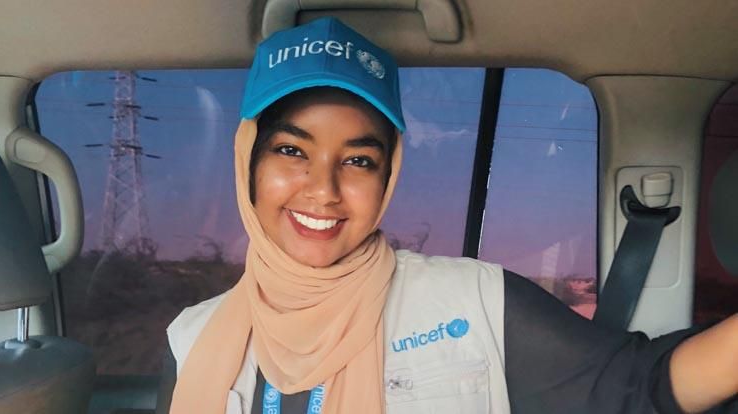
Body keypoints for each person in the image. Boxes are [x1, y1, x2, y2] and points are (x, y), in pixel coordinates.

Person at [161, 17, 738, 414]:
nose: (324, 188)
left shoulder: (473, 302)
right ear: (248, 163)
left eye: (359, 160)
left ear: (388, 178)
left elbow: (639, 387)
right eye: (292, 151)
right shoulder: (192, 339)